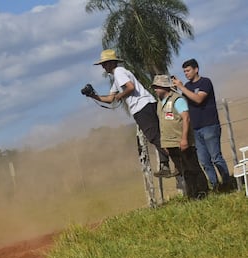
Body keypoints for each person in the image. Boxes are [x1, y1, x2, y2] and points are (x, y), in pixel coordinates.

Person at [83, 49, 177, 178]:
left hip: (141, 107)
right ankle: (167, 164)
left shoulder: (118, 72)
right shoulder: (118, 76)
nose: (103, 66)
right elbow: (110, 99)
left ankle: (179, 161)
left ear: (111, 63)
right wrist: (93, 96)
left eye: (105, 63)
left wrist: (121, 95)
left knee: (155, 137)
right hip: (147, 104)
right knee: (158, 136)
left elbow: (130, 87)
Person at [172, 59, 234, 192]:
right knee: (204, 161)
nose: (186, 73)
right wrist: (179, 89)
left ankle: (227, 183)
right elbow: (184, 103)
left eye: (188, 70)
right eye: (184, 71)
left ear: (196, 69)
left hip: (210, 125)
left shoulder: (205, 82)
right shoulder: (187, 86)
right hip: (195, 129)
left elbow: (198, 99)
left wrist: (181, 87)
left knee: (216, 157)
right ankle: (215, 185)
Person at [151, 75, 209, 199]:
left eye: (157, 87)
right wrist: (164, 143)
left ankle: (203, 192)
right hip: (170, 143)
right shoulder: (159, 103)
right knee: (184, 171)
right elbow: (162, 124)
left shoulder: (178, 100)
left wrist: (184, 139)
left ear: (164, 87)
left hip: (181, 141)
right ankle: (193, 195)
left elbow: (186, 118)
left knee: (193, 168)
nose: (155, 89)